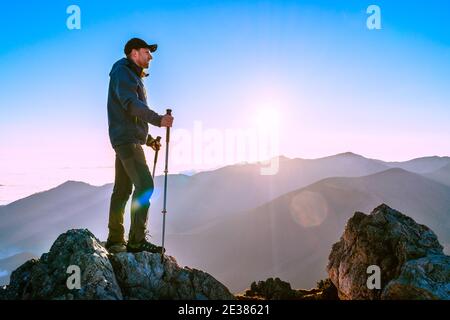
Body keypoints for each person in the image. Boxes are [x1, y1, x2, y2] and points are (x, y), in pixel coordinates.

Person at [105, 38, 174, 254]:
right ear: (134, 53)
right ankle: (135, 242)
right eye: (147, 52)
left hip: (125, 139)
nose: (150, 56)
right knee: (145, 186)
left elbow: (131, 115)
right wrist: (158, 119)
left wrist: (149, 140)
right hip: (126, 141)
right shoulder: (123, 72)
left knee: (123, 190)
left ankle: (115, 240)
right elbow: (131, 105)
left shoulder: (129, 74)